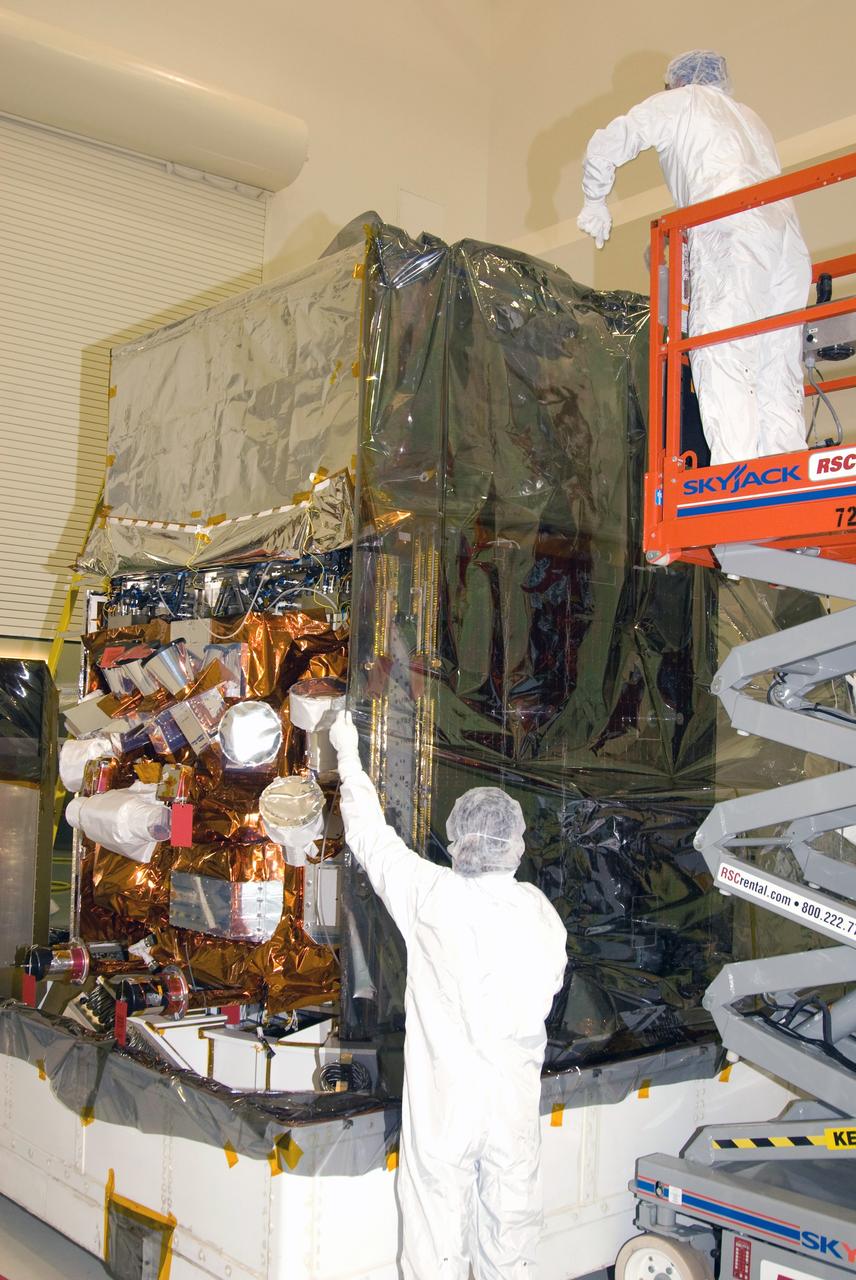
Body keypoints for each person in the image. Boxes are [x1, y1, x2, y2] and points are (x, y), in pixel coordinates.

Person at [329, 711, 567, 1279]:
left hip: (446, 1105)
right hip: (511, 1104)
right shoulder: (539, 911)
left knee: (434, 1235)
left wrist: (345, 751)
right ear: (513, 843)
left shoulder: (434, 898)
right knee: (511, 1240)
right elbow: (552, 986)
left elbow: (369, 836)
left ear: (461, 840)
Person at [577, 50, 811, 465]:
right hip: (787, 244)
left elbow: (613, 139)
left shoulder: (683, 101)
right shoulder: (750, 118)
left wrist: (595, 199)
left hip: (731, 231)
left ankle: (738, 480)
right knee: (776, 360)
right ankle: (786, 473)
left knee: (720, 348)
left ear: (680, 83)